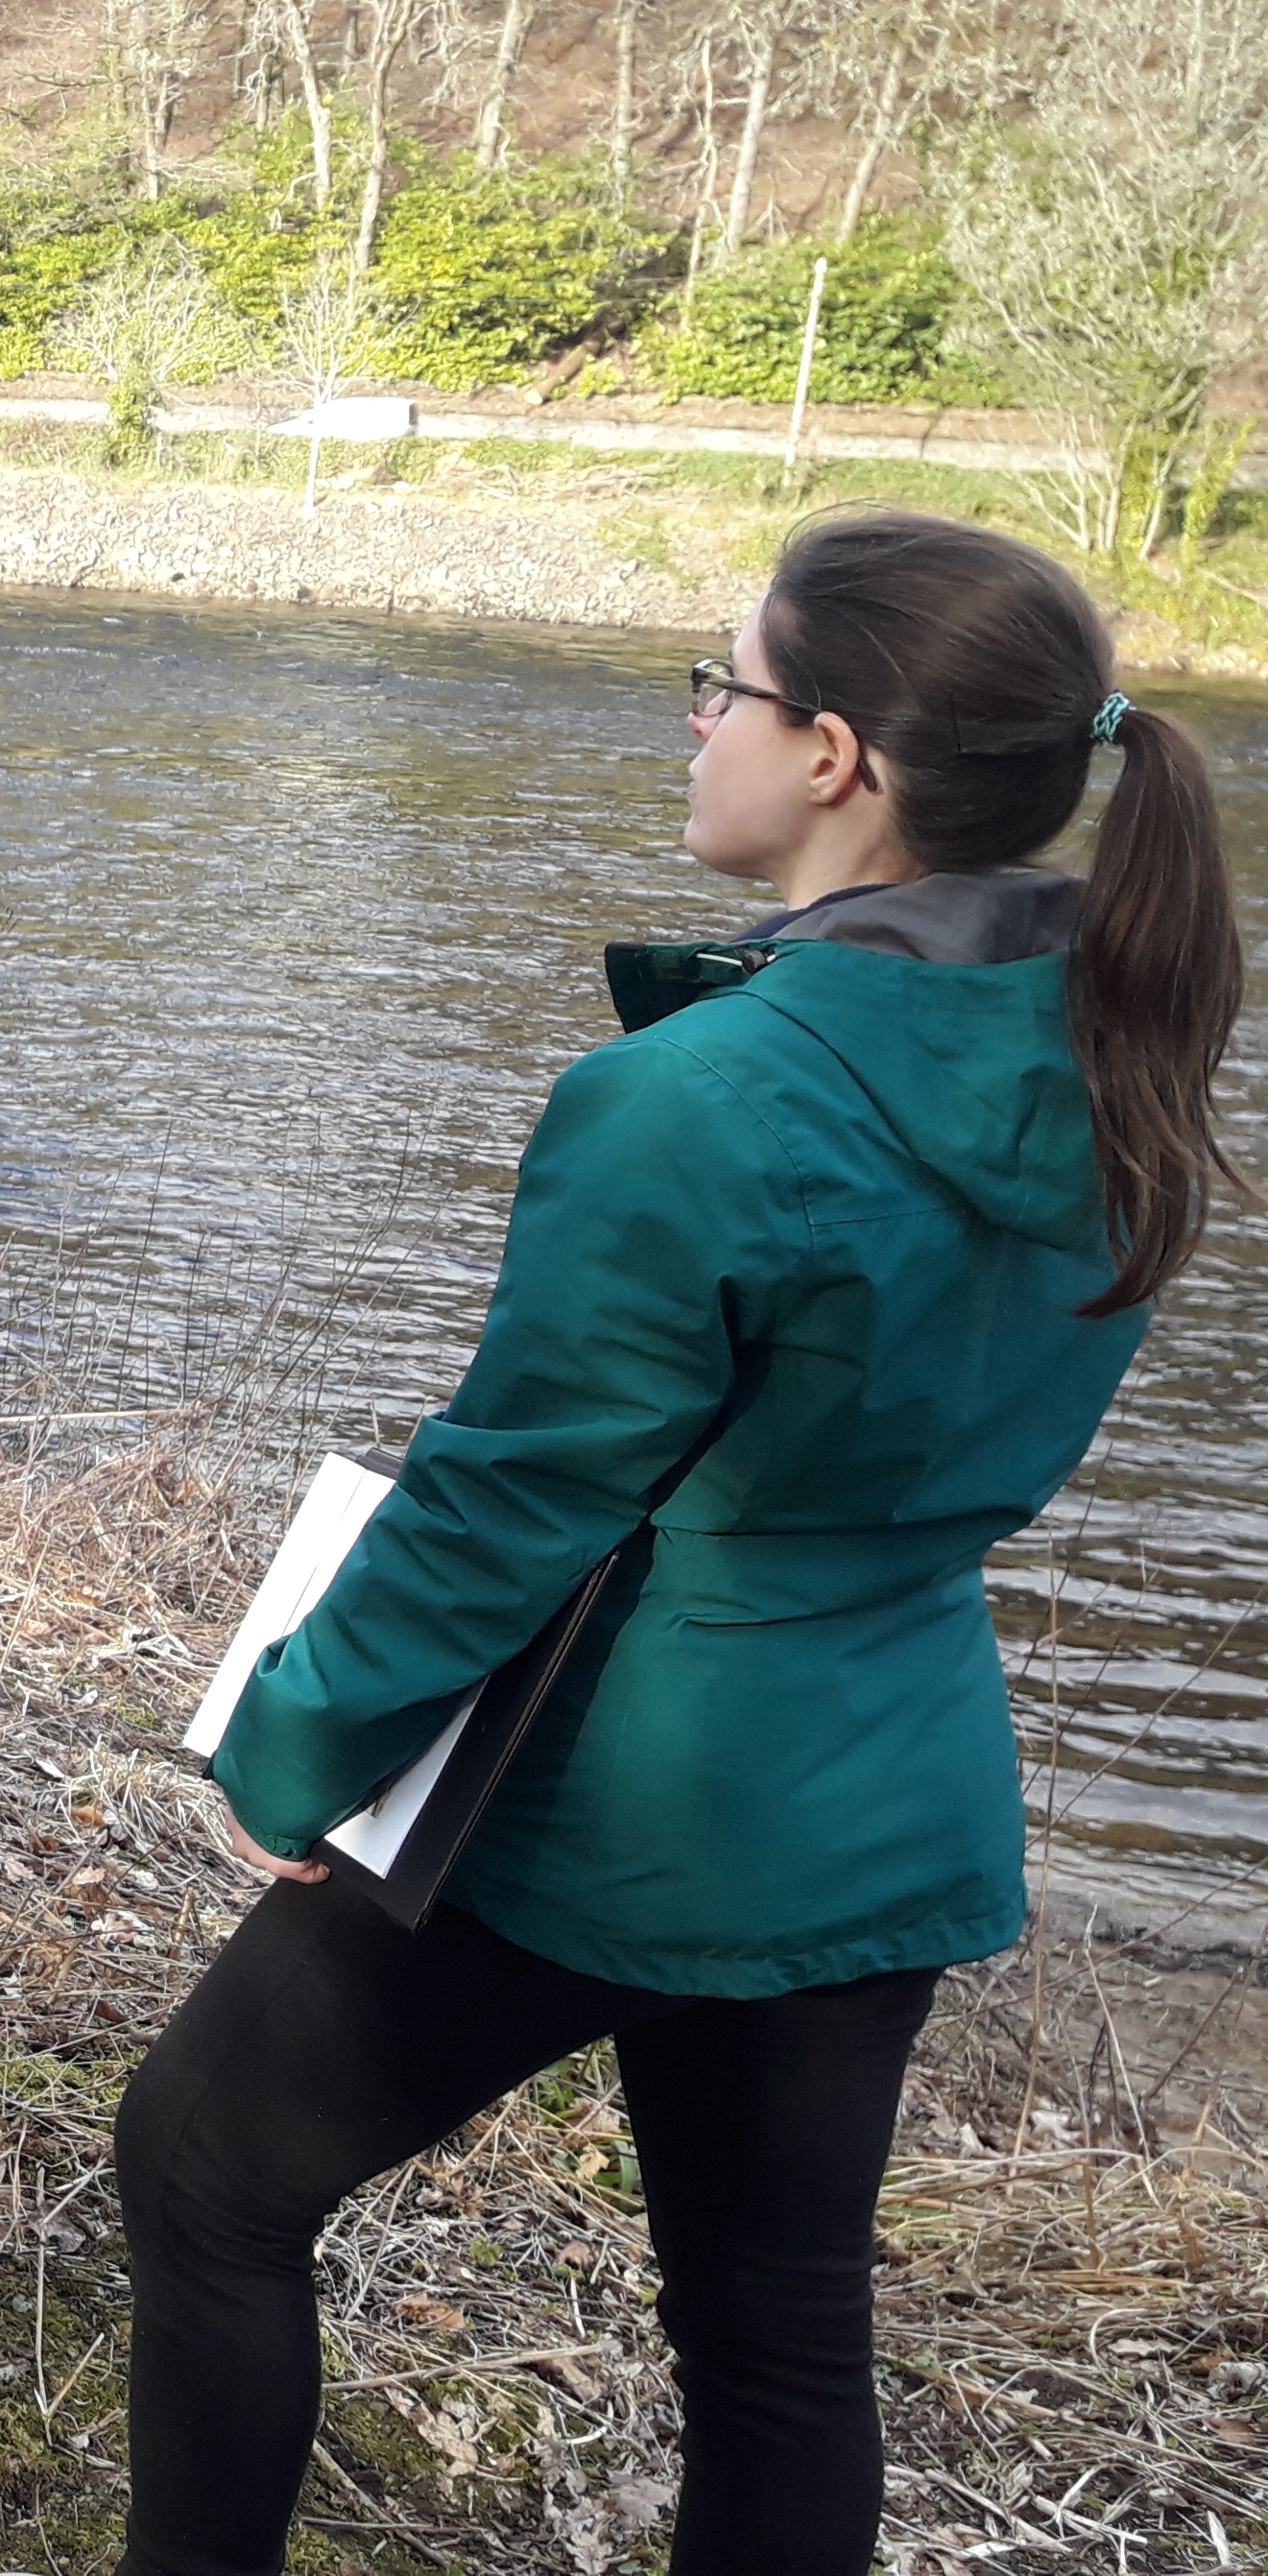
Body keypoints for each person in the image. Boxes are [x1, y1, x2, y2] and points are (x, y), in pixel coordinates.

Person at [120, 510, 1246, 2575]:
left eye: (721, 684)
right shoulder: (1125, 1045)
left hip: (621, 1796)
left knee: (204, 2165)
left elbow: (514, 1492)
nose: (698, 723)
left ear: (836, 757)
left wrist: (297, 1742)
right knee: (779, 2341)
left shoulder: (704, 1096)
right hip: (893, 1788)